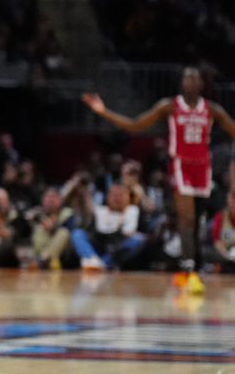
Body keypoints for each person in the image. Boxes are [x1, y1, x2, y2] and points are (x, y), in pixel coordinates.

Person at [83, 66, 235, 294]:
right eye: (187, 79)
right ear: (181, 83)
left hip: (203, 166)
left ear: (201, 85)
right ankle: (190, 270)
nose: (191, 83)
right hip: (181, 164)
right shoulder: (169, 106)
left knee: (197, 221)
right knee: (187, 219)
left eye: (195, 79)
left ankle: (189, 269)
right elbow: (135, 125)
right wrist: (103, 111)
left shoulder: (212, 109)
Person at [71, 183, 144, 271]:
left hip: (117, 248)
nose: (117, 198)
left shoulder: (132, 210)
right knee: (77, 233)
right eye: (113, 195)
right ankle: (93, 259)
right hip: (99, 245)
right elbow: (87, 209)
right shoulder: (101, 210)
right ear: (108, 196)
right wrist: (84, 194)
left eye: (120, 195)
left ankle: (102, 264)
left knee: (138, 239)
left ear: (127, 197)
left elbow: (128, 232)